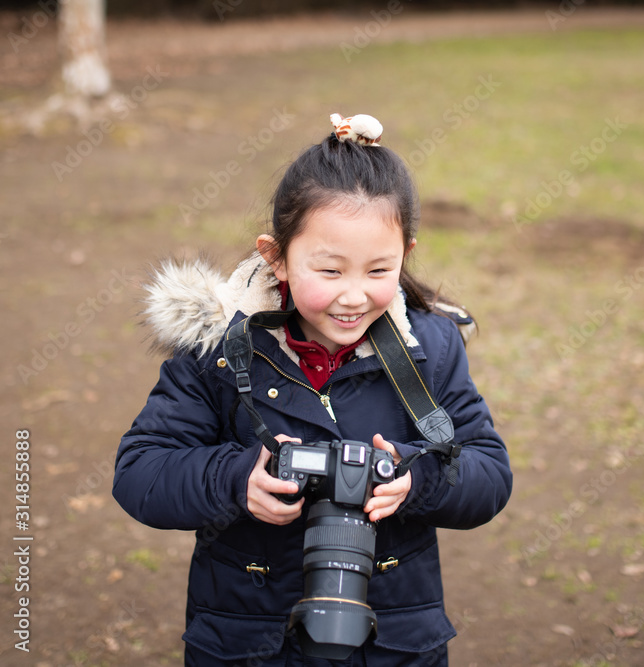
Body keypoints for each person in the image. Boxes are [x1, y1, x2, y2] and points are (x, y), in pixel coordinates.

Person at [113, 113, 513, 666]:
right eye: (329, 271)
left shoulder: (431, 350)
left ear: (406, 253)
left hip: (396, 639)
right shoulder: (219, 353)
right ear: (276, 256)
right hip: (250, 638)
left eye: (379, 270)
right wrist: (236, 481)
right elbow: (139, 471)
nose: (354, 297)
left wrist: (415, 479)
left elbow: (490, 474)